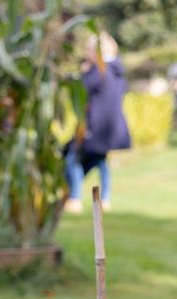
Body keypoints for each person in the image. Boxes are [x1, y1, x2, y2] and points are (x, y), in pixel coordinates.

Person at [64, 32, 131, 213]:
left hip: (96, 126)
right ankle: (106, 199)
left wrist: (83, 73)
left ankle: (75, 198)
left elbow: (82, 89)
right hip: (110, 127)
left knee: (73, 158)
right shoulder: (117, 70)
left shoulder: (99, 70)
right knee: (100, 161)